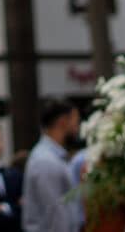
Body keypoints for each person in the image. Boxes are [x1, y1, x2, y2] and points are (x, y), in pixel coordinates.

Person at [21, 99, 81, 232]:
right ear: (63, 122)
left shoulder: (53, 157)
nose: (78, 129)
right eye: (76, 123)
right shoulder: (45, 160)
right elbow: (55, 214)